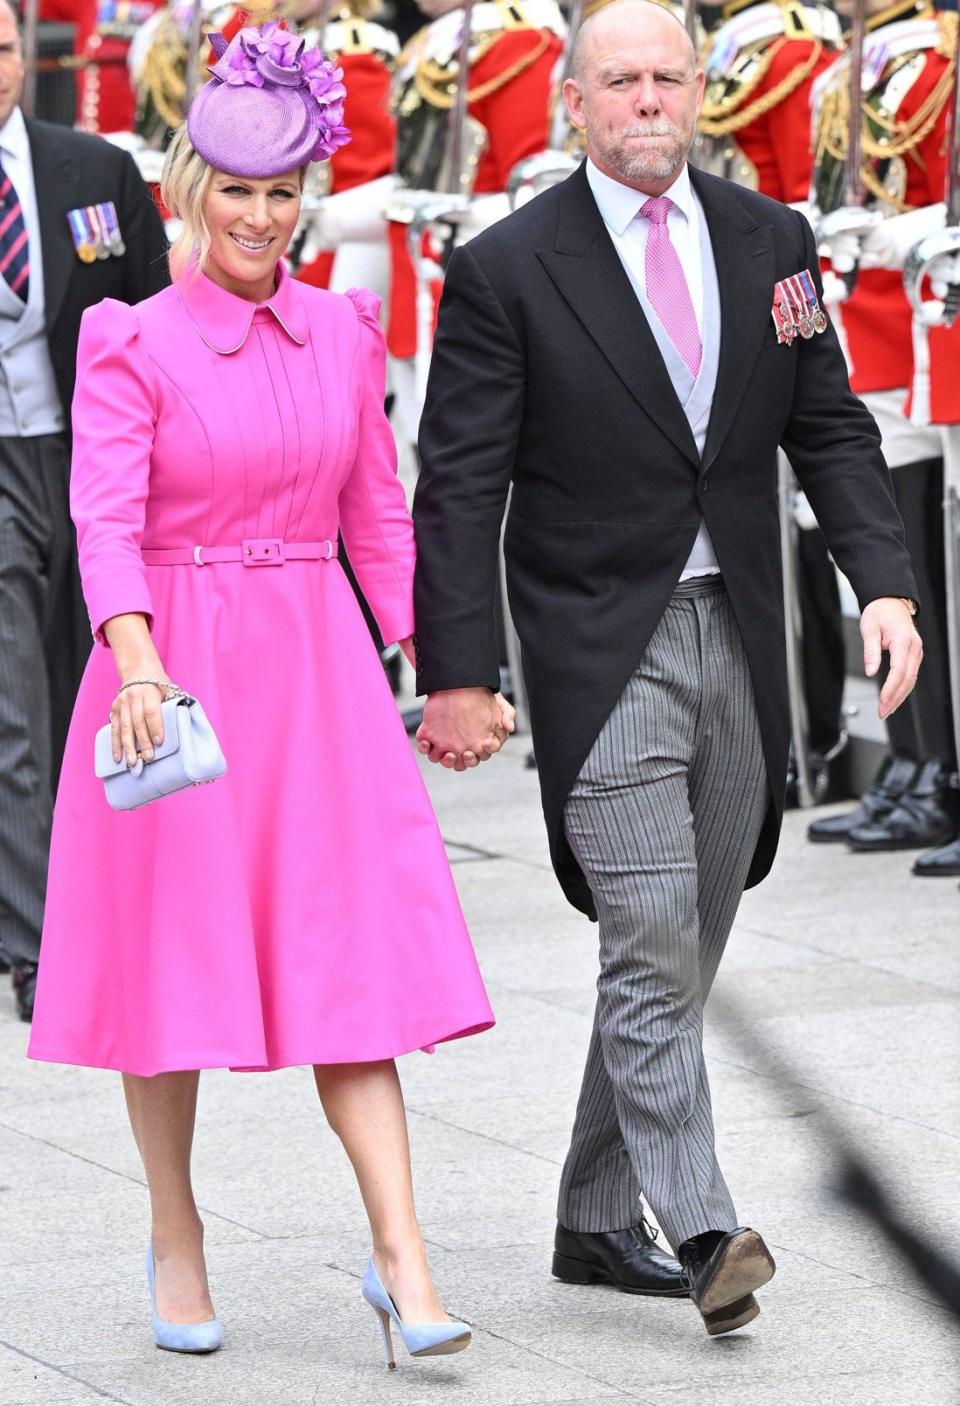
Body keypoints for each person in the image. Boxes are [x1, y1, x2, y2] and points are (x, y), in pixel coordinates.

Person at [412, 0, 922, 1337]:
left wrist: (886, 585)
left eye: (667, 79)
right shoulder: (509, 267)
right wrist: (458, 668)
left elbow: (831, 431)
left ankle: (592, 1215)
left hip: (739, 639)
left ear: (699, 89)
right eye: (619, 81)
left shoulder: (772, 243)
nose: (647, 102)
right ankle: (704, 1225)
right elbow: (456, 486)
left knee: (679, 949)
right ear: (574, 101)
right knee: (647, 934)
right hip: (598, 647)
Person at [27, 22, 502, 1364]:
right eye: (235, 190)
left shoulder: (344, 333)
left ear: (307, 196)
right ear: (189, 191)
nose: (260, 215)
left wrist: (442, 669)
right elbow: (103, 518)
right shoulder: (130, 336)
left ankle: (405, 1262)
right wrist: (131, 656)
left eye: (284, 189)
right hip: (168, 673)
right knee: (168, 973)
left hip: (316, 675)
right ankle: (174, 1231)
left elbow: (382, 522)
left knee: (348, 969)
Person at [0, 0, 168, 1022]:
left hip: (89, 456)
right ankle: (34, 939)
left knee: (94, 682)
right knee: (14, 701)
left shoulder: (94, 172)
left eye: (6, 48)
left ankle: (119, 904)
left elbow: (154, 321)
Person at [805, 0, 960, 859]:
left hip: (926, 322)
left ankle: (938, 762)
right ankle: (921, 757)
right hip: (875, 329)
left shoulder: (936, 59)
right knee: (902, 563)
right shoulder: (849, 65)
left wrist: (892, 233)